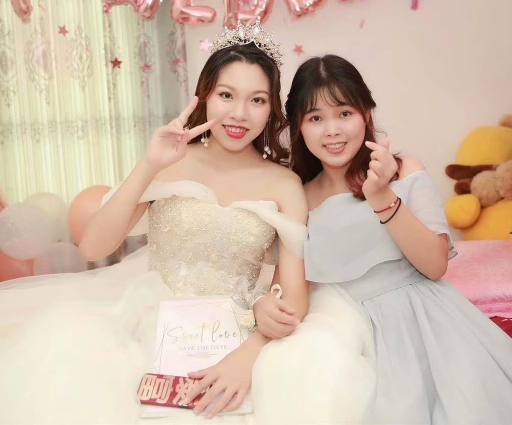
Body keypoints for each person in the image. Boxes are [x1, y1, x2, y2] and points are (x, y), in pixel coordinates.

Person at [0, 25, 371, 424]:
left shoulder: (284, 184)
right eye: (226, 95)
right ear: (204, 95)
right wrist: (150, 165)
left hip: (238, 334)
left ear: (271, 109)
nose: (239, 113)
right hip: (151, 325)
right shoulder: (171, 162)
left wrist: (248, 355)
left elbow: (293, 296)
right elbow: (94, 247)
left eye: (257, 100)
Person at [282, 54, 512, 424]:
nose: (332, 130)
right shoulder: (299, 197)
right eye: (315, 118)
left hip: (426, 327)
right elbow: (296, 288)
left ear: (365, 114)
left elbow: (434, 265)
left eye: (344, 113)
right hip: (346, 338)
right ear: (299, 126)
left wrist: (381, 196)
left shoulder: (404, 170)